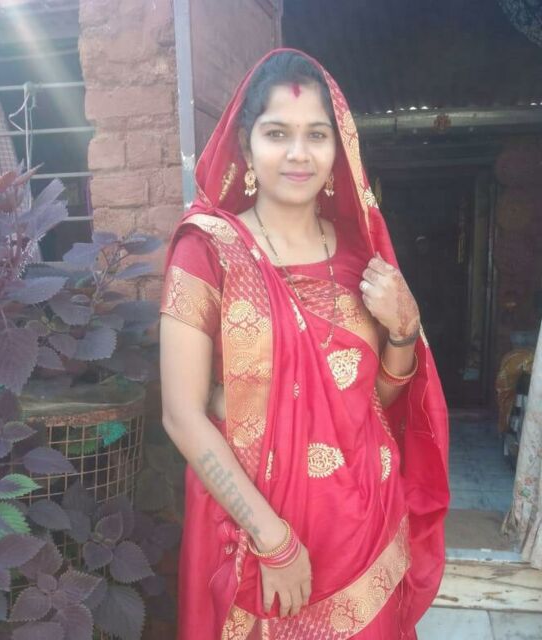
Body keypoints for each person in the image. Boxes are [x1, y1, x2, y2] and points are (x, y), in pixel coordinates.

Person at [160, 49, 450, 639]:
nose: (298, 153)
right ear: (246, 148)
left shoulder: (359, 254)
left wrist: (403, 330)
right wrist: (273, 540)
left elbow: (371, 402)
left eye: (317, 135)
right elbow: (182, 414)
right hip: (256, 529)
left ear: (338, 150)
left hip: (362, 520)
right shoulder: (208, 252)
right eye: (277, 133)